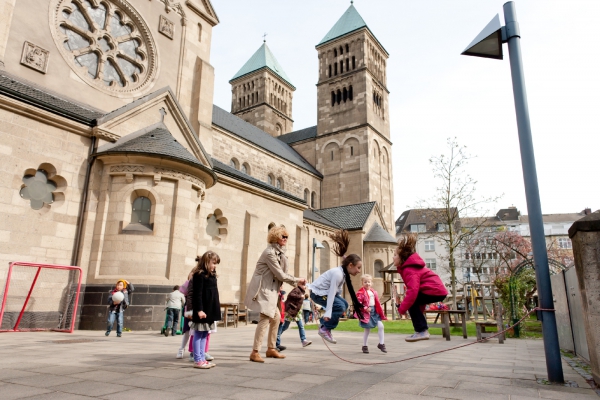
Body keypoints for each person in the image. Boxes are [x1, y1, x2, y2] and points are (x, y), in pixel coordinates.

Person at [244, 226, 307, 363]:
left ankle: (271, 349)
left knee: (277, 317)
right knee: (265, 318)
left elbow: (281, 275)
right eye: (282, 236)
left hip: (272, 290)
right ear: (275, 237)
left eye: (286, 237)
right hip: (264, 289)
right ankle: (255, 352)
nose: (285, 239)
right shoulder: (269, 253)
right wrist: (297, 280)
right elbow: (279, 274)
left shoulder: (280, 253)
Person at [308, 229, 364, 344]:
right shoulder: (338, 274)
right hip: (318, 294)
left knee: (345, 304)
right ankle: (325, 328)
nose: (359, 271)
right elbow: (332, 293)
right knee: (339, 306)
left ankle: (324, 325)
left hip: (325, 293)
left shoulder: (343, 271)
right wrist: (328, 312)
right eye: (358, 268)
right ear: (350, 265)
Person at [394, 233, 448, 342]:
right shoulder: (409, 269)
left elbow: (413, 292)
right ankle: (421, 330)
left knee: (411, 301)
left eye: (395, 255)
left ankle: (422, 331)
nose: (393, 257)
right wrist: (419, 309)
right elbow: (418, 293)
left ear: (402, 258)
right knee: (414, 302)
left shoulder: (409, 270)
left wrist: (402, 309)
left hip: (435, 290)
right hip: (436, 290)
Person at [188, 251, 221, 369]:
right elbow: (197, 295)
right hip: (202, 310)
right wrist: (199, 310)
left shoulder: (211, 275)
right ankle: (198, 359)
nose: (215, 266)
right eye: (213, 263)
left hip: (210, 310)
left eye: (216, 263)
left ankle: (202, 358)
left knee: (205, 334)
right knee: (198, 334)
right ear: (207, 262)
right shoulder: (199, 275)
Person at [356, 274, 387, 353]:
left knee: (381, 326)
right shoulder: (360, 293)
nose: (367, 283)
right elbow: (358, 303)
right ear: (362, 283)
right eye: (365, 282)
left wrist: (380, 310)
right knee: (367, 329)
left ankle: (381, 344)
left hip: (374, 312)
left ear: (371, 283)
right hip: (367, 313)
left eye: (369, 282)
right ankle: (365, 345)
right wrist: (365, 308)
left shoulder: (373, 292)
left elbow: (377, 302)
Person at [277, 284, 312, 349]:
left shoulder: (301, 291)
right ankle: (276, 336)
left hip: (296, 312)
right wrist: (300, 296)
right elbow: (291, 295)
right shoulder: (297, 289)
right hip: (292, 311)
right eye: (304, 285)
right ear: (300, 285)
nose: (305, 287)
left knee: (300, 326)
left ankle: (303, 340)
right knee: (285, 326)